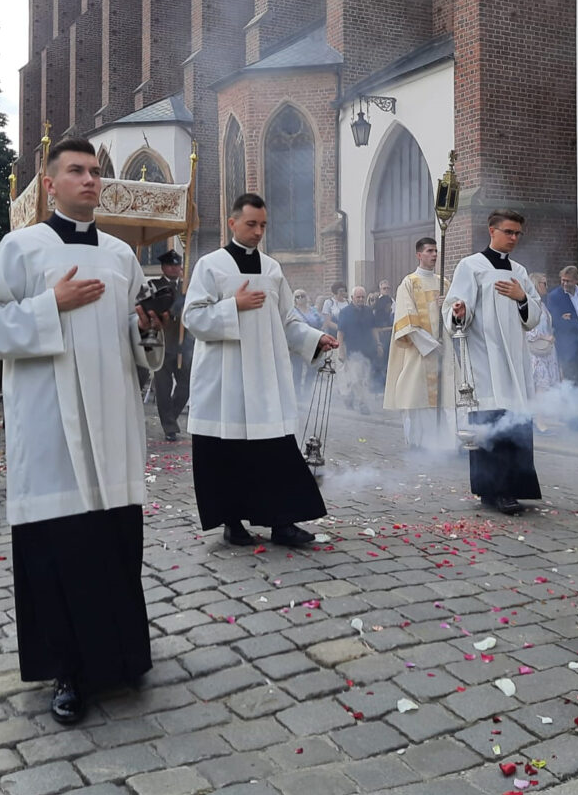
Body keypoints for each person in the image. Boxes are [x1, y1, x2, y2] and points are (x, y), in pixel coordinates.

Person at [0, 135, 165, 726]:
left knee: (114, 543)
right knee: (58, 548)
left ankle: (122, 656)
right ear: (50, 185)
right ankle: (67, 670)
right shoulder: (21, 247)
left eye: (95, 171)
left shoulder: (122, 255)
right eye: (76, 171)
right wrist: (50, 304)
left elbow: (135, 342)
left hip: (112, 418)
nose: (90, 180)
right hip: (51, 423)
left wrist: (148, 329)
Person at [185, 193, 338, 547]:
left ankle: (283, 524)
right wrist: (232, 306)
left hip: (266, 378)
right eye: (251, 224)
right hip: (225, 380)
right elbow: (192, 318)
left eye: (263, 225)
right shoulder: (210, 266)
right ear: (232, 223)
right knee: (227, 454)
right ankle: (232, 523)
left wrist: (315, 339)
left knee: (274, 453)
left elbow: (287, 320)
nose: (258, 232)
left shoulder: (271, 269)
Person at [443, 210, 544, 515]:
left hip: (515, 359)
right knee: (491, 422)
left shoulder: (519, 271)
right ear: (492, 230)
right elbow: (453, 308)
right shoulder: (471, 266)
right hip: (485, 358)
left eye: (517, 233)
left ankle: (516, 487)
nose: (514, 238)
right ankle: (495, 490)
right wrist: (459, 312)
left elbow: (534, 316)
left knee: (515, 420)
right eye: (508, 232)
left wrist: (522, 297)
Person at [383, 237, 455, 449]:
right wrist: (431, 345)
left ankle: (441, 444)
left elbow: (456, 318)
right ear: (419, 255)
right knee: (417, 399)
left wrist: (447, 306)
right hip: (419, 352)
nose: (434, 255)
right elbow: (407, 321)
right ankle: (418, 444)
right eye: (429, 251)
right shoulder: (409, 283)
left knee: (443, 401)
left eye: (436, 251)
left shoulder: (445, 283)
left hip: (443, 351)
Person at [545, 265, 578, 432]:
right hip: (567, 346)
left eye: (568, 281)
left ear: (576, 280)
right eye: (563, 280)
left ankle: (567, 412)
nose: (565, 283)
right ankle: (572, 419)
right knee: (569, 381)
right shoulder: (555, 296)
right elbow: (556, 322)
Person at [149, 249, 192, 441]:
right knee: (163, 387)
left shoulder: (187, 286)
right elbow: (151, 308)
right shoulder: (154, 285)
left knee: (185, 385)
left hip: (183, 344)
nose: (175, 269)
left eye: (177, 265)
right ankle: (169, 427)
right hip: (162, 342)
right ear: (163, 267)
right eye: (171, 265)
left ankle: (170, 417)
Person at [526, 272, 560, 434]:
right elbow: (527, 329)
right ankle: (538, 420)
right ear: (535, 285)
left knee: (542, 387)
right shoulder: (528, 304)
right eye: (543, 284)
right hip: (534, 352)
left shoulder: (542, 304)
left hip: (546, 350)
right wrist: (544, 337)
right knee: (540, 385)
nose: (546, 287)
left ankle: (536, 418)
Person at [337, 286, 381, 414]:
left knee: (365, 378)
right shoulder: (345, 312)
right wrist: (341, 350)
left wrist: (378, 344)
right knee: (356, 378)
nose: (361, 299)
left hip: (367, 350)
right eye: (358, 297)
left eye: (362, 297)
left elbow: (374, 329)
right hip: (352, 351)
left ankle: (350, 396)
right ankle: (362, 403)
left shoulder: (368, 311)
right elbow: (340, 333)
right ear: (352, 298)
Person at [291, 289, 323, 397]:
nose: (300, 298)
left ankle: (307, 392)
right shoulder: (292, 311)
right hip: (297, 344)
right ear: (294, 299)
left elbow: (321, 322)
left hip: (312, 342)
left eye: (302, 296)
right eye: (297, 297)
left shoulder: (313, 310)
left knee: (312, 368)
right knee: (297, 369)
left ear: (306, 297)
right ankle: (297, 394)